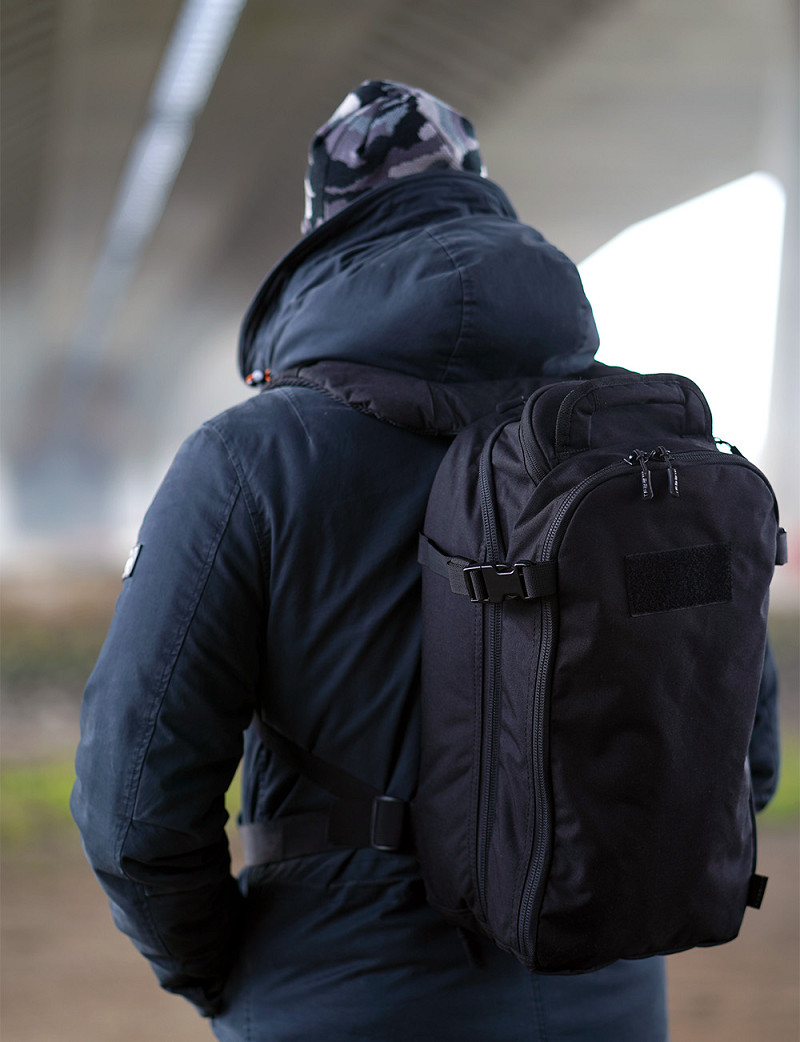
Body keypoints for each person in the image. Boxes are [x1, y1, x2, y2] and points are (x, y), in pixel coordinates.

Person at [72, 80, 779, 1041]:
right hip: (606, 991)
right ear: (483, 195)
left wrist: (216, 970)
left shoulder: (252, 459)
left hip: (340, 989)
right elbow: (742, 747)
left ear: (322, 227)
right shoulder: (642, 450)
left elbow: (133, 799)